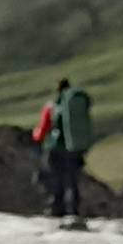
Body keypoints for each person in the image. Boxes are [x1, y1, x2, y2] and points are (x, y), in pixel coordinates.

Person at [29, 74, 96, 221]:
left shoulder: (52, 107)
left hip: (56, 149)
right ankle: (74, 210)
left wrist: (36, 137)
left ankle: (57, 210)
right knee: (72, 180)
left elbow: (43, 130)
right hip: (75, 149)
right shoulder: (75, 105)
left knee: (55, 179)